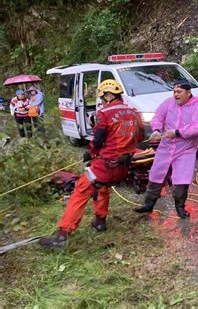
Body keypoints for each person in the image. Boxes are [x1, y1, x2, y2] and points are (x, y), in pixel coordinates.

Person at [39, 80, 144, 249]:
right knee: (102, 188)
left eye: (103, 97)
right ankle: (100, 221)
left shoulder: (105, 113)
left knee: (80, 191)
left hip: (105, 166)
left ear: (109, 95)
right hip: (123, 167)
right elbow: (140, 137)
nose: (102, 101)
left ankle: (62, 235)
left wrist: (91, 153)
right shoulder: (133, 113)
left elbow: (98, 140)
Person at [134, 80, 198, 218]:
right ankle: (148, 205)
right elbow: (158, 117)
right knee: (156, 176)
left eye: (179, 92)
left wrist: (177, 132)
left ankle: (180, 209)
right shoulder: (168, 103)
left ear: (189, 93)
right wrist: (156, 130)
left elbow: (196, 128)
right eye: (174, 92)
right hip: (166, 147)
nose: (176, 95)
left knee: (181, 181)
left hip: (186, 150)